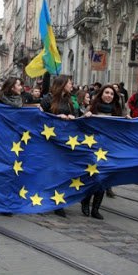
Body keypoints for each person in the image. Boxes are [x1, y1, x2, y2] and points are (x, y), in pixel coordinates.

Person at [41, 75, 81, 218]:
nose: (72, 85)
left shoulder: (70, 100)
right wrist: (56, 118)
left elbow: (77, 116)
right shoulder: (48, 99)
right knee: (51, 172)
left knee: (63, 172)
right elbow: (40, 117)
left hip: (66, 140)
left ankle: (59, 202)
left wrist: (73, 117)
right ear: (63, 84)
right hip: (50, 140)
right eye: (70, 82)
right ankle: (47, 199)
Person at [81, 85, 122, 220]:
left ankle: (96, 208)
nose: (109, 95)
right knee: (93, 177)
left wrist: (128, 120)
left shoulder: (117, 111)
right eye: (107, 93)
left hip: (109, 149)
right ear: (101, 94)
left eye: (112, 94)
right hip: (93, 148)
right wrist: (86, 116)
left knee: (103, 178)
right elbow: (81, 125)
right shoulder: (92, 108)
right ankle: (86, 201)